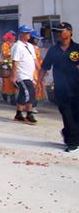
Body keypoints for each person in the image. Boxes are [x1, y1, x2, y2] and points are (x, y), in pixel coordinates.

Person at [39, 22, 79, 152]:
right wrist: (39, 83)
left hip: (77, 88)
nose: (58, 34)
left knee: (76, 115)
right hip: (61, 89)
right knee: (67, 115)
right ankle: (72, 142)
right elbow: (45, 67)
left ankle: (68, 133)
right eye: (56, 32)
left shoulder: (77, 49)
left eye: (60, 31)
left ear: (69, 32)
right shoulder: (53, 50)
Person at [11, 25, 38, 124]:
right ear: (21, 34)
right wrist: (14, 77)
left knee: (25, 93)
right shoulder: (17, 46)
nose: (29, 35)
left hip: (29, 75)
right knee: (29, 93)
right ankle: (29, 114)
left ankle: (19, 114)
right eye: (27, 33)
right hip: (22, 75)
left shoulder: (30, 46)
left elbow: (34, 60)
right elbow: (15, 62)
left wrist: (40, 69)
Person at [29, 30, 45, 112]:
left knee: (37, 87)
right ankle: (31, 106)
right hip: (32, 70)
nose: (38, 40)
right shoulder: (30, 47)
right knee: (34, 87)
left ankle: (32, 105)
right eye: (36, 39)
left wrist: (43, 68)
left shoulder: (35, 48)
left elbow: (39, 60)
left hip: (37, 70)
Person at [0, 31, 17, 105]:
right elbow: (5, 53)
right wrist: (12, 51)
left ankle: (13, 98)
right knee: (7, 82)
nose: (14, 37)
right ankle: (5, 94)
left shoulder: (16, 44)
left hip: (14, 64)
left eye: (14, 36)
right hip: (6, 65)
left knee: (14, 81)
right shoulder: (5, 44)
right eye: (12, 36)